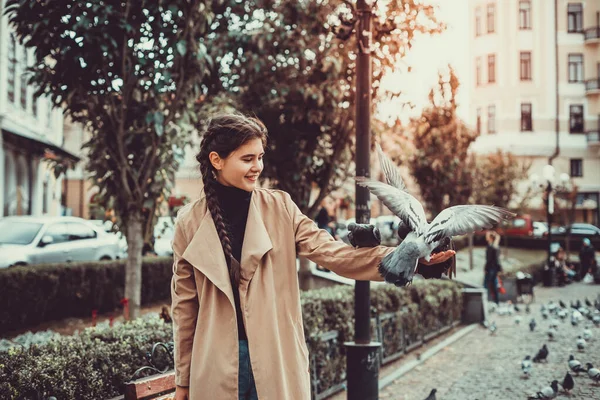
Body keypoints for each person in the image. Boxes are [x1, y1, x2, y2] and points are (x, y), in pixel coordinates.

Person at [170, 113, 455, 400]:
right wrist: (183, 382)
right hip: (214, 370)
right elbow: (185, 309)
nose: (257, 167)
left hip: (275, 360)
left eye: (260, 157)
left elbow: (333, 254)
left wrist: (406, 257)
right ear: (216, 160)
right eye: (247, 159)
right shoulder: (189, 223)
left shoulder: (280, 207)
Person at [483, 231, 502, 304]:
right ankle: (496, 302)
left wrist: (486, 268)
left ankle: (484, 301)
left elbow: (489, 260)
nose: (486, 236)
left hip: (490, 269)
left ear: (491, 237)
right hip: (494, 269)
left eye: (487, 235)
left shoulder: (491, 247)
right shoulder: (495, 246)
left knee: (485, 285)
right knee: (494, 285)